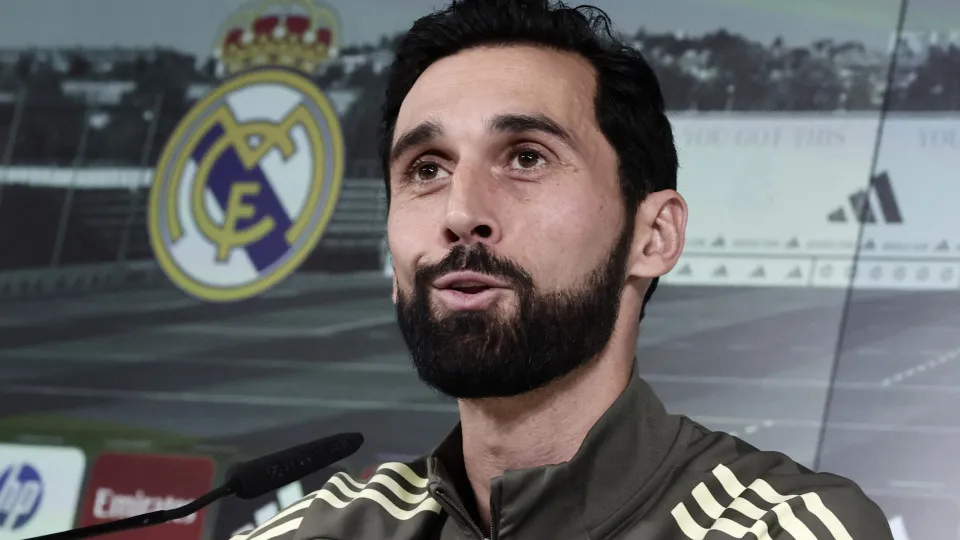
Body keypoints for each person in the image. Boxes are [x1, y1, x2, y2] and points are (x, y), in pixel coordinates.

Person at [233, 0, 893, 538]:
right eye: (427, 169)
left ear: (653, 235)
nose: (460, 213)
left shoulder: (781, 529)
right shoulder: (307, 534)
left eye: (526, 157)